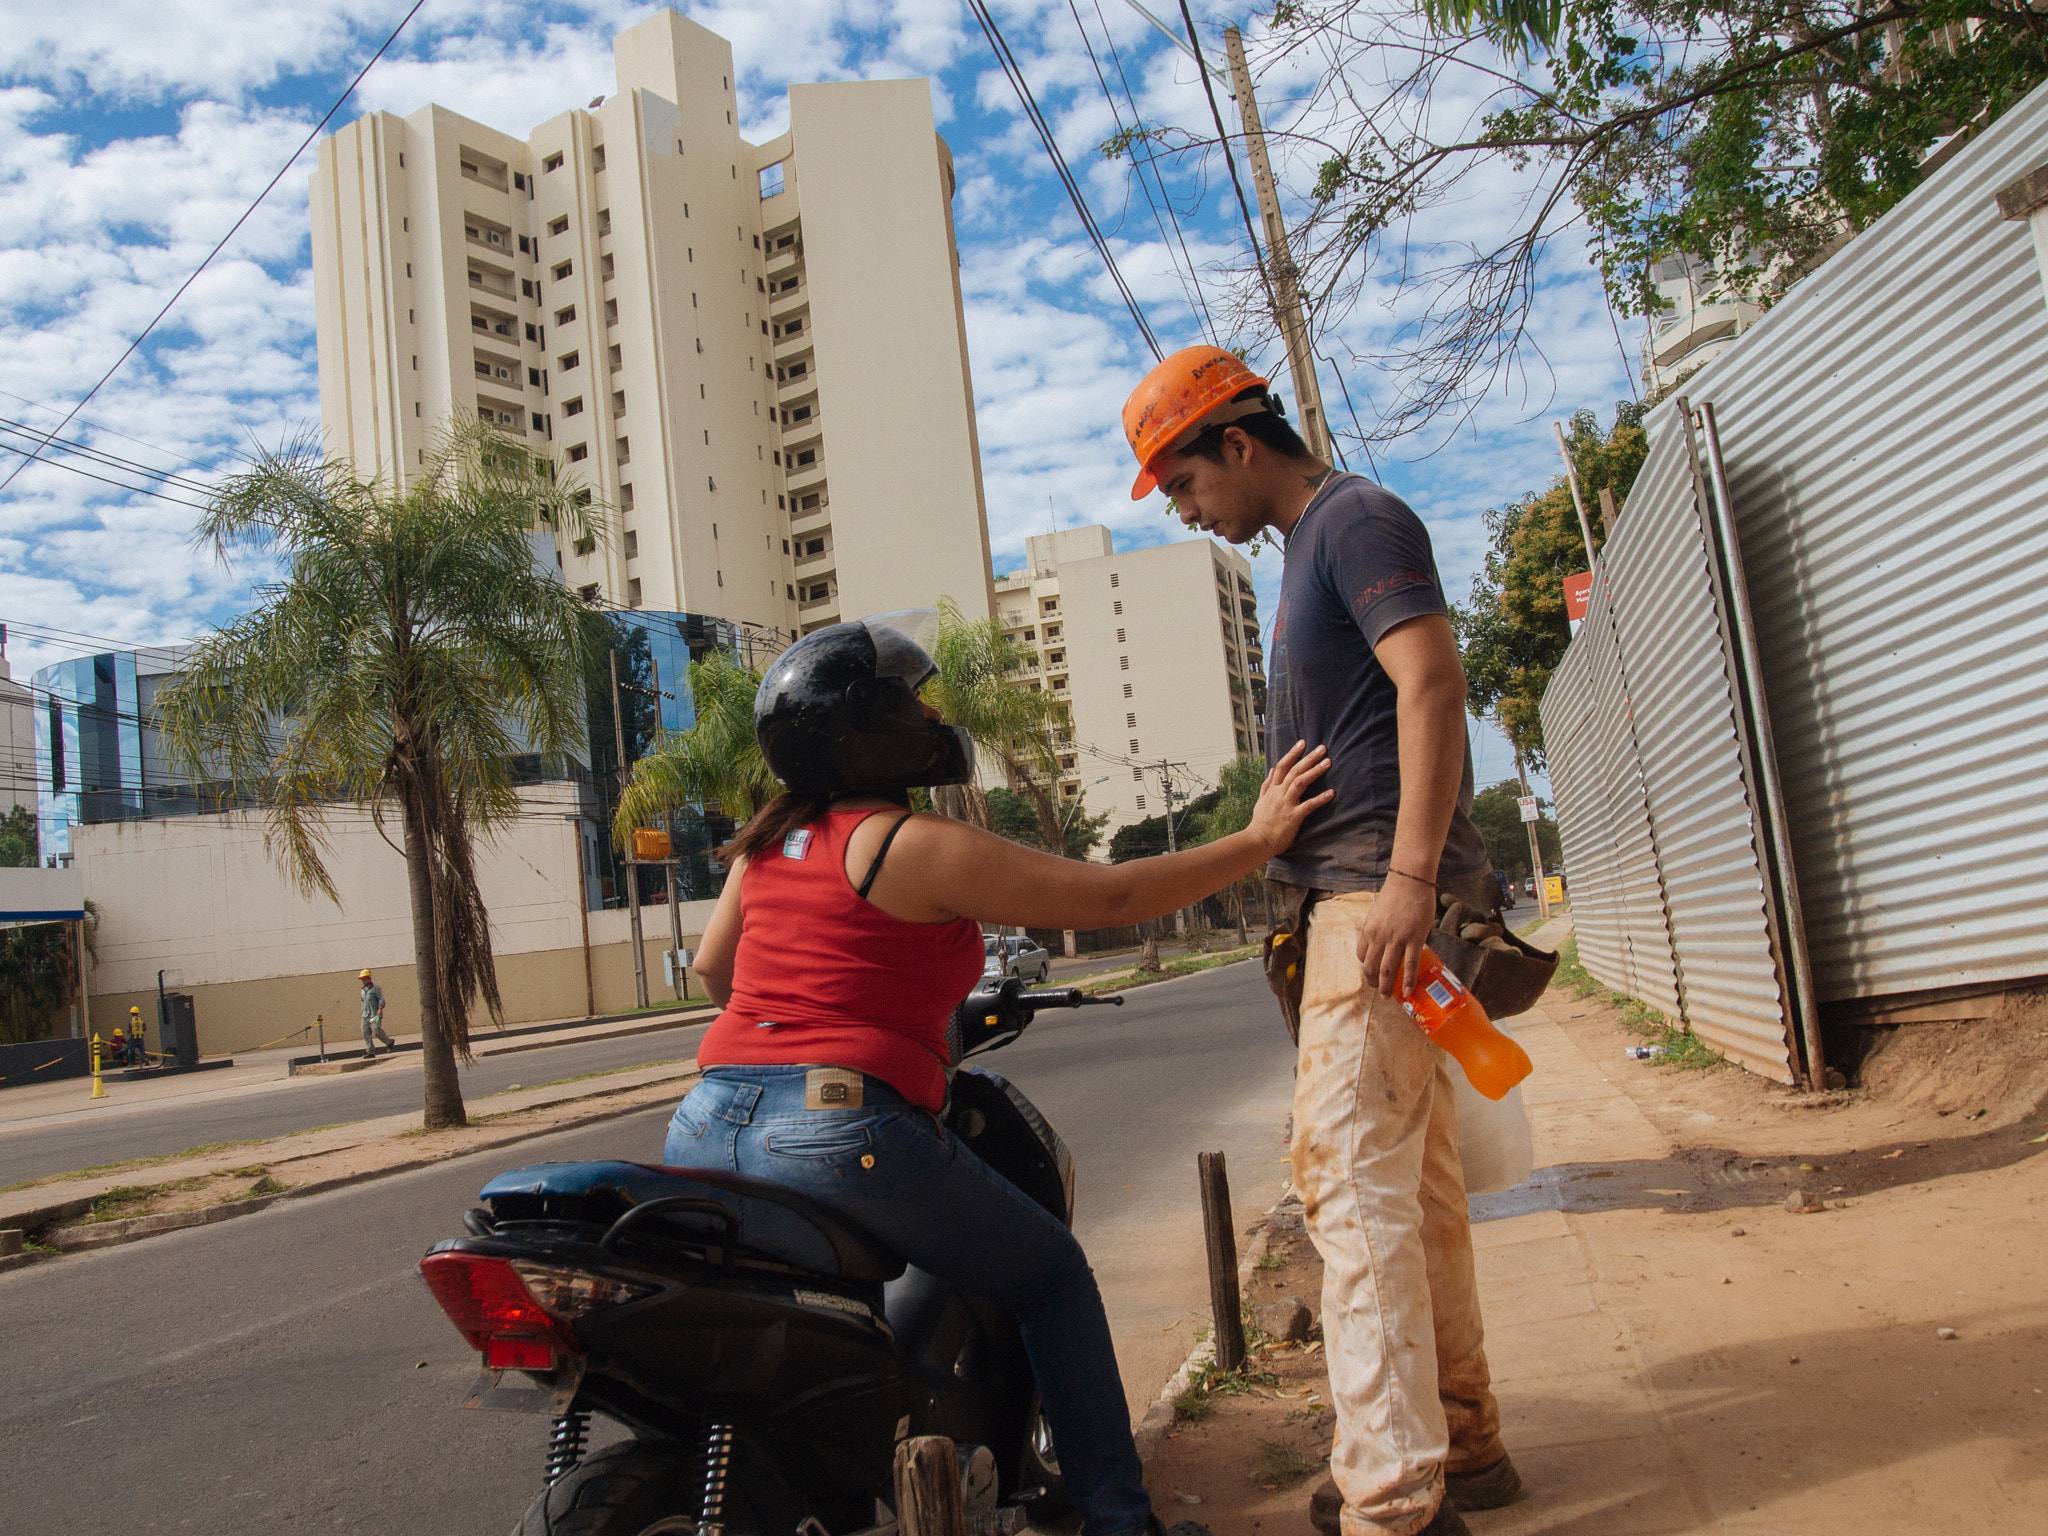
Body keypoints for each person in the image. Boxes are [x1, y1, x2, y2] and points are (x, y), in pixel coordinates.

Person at [669, 611, 1333, 1536]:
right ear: (870, 725)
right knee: (1052, 1276)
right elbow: (1115, 895)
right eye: (912, 699)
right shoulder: (906, 844)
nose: (931, 712)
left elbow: (713, 972)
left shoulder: (768, 845)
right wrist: (1259, 841)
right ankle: (1117, 1520)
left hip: (707, 1118)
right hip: (838, 1128)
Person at [1122, 347, 1519, 1536]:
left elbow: (1431, 681)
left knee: (1346, 1193)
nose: (1188, 512)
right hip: (1351, 903)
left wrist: (1403, 880)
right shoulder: (1311, 549)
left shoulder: (1352, 519)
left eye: (1182, 483)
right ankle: (1461, 1444)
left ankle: (1393, 1505)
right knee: (1416, 1192)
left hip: (1373, 908)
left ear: (1236, 443)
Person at [359, 969, 395, 1058]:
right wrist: (362, 1011)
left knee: (376, 1030)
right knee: (365, 1032)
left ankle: (389, 1042)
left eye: (365, 979)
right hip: (365, 1015)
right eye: (362, 980)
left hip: (374, 1014)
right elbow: (362, 1002)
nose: (363, 981)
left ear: (369, 978)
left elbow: (381, 999)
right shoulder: (362, 990)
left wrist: (380, 1009)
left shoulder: (376, 988)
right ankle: (370, 1051)